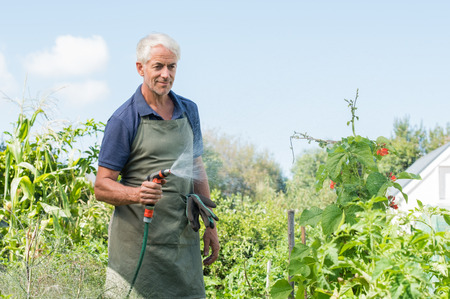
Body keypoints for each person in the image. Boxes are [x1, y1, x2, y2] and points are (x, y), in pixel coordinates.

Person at [94, 33, 219, 298]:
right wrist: (136, 194)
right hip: (138, 246)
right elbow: (101, 187)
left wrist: (211, 225)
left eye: (171, 67)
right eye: (158, 67)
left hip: (182, 241)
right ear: (140, 68)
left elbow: (196, 167)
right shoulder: (123, 119)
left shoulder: (189, 110)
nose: (166, 74)